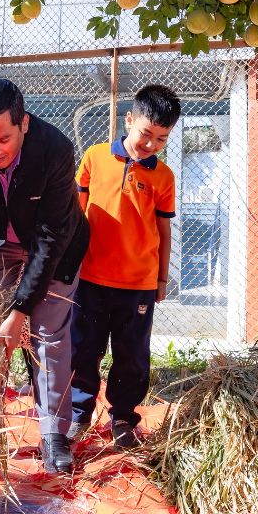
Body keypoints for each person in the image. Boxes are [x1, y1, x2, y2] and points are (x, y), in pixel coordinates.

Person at [0, 77, 89, 473]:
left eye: (3, 139)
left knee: (47, 333)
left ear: (23, 123)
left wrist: (20, 312)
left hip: (54, 245)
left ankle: (54, 434)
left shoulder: (55, 148)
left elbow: (50, 238)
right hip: (0, 244)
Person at [69, 84, 181, 449]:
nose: (151, 144)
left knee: (132, 355)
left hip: (139, 284)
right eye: (146, 133)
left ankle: (122, 418)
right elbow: (75, 215)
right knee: (83, 349)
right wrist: (67, 266)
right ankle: (78, 414)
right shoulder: (95, 157)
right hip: (90, 278)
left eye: (161, 139)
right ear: (129, 120)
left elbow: (163, 229)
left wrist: (161, 278)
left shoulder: (163, 177)